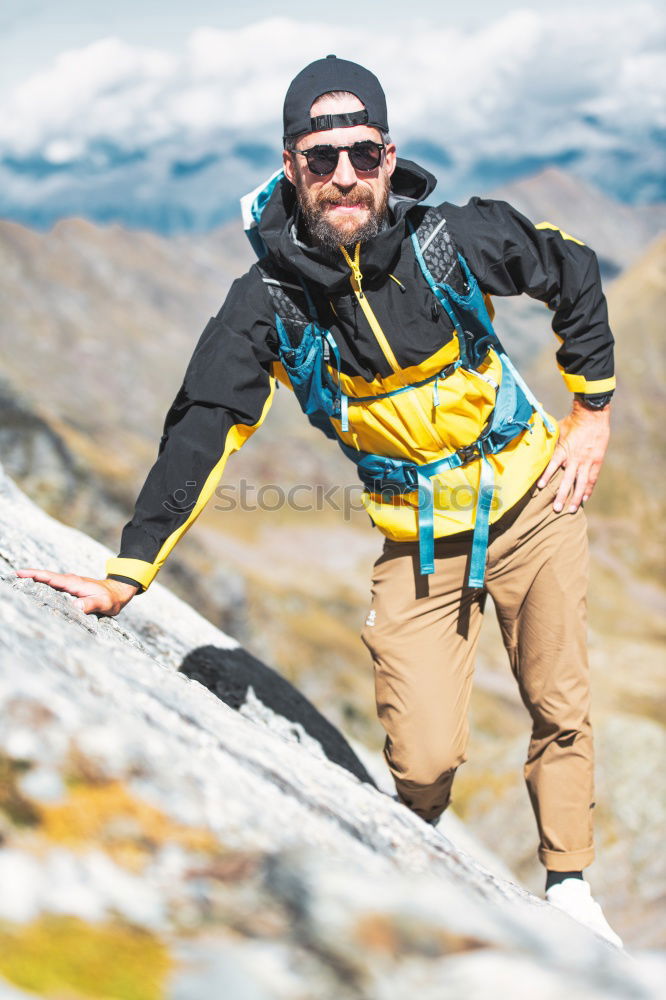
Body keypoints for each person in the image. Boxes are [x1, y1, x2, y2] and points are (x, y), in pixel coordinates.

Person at [17, 56, 621, 947]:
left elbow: (566, 268)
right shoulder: (267, 301)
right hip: (418, 540)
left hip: (533, 499)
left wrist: (591, 413)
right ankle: (417, 842)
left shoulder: (451, 238)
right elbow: (203, 425)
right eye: (322, 155)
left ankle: (569, 883)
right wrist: (127, 575)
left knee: (559, 705)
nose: (345, 173)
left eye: (363, 152)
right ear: (291, 163)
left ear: (388, 154)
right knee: (422, 758)